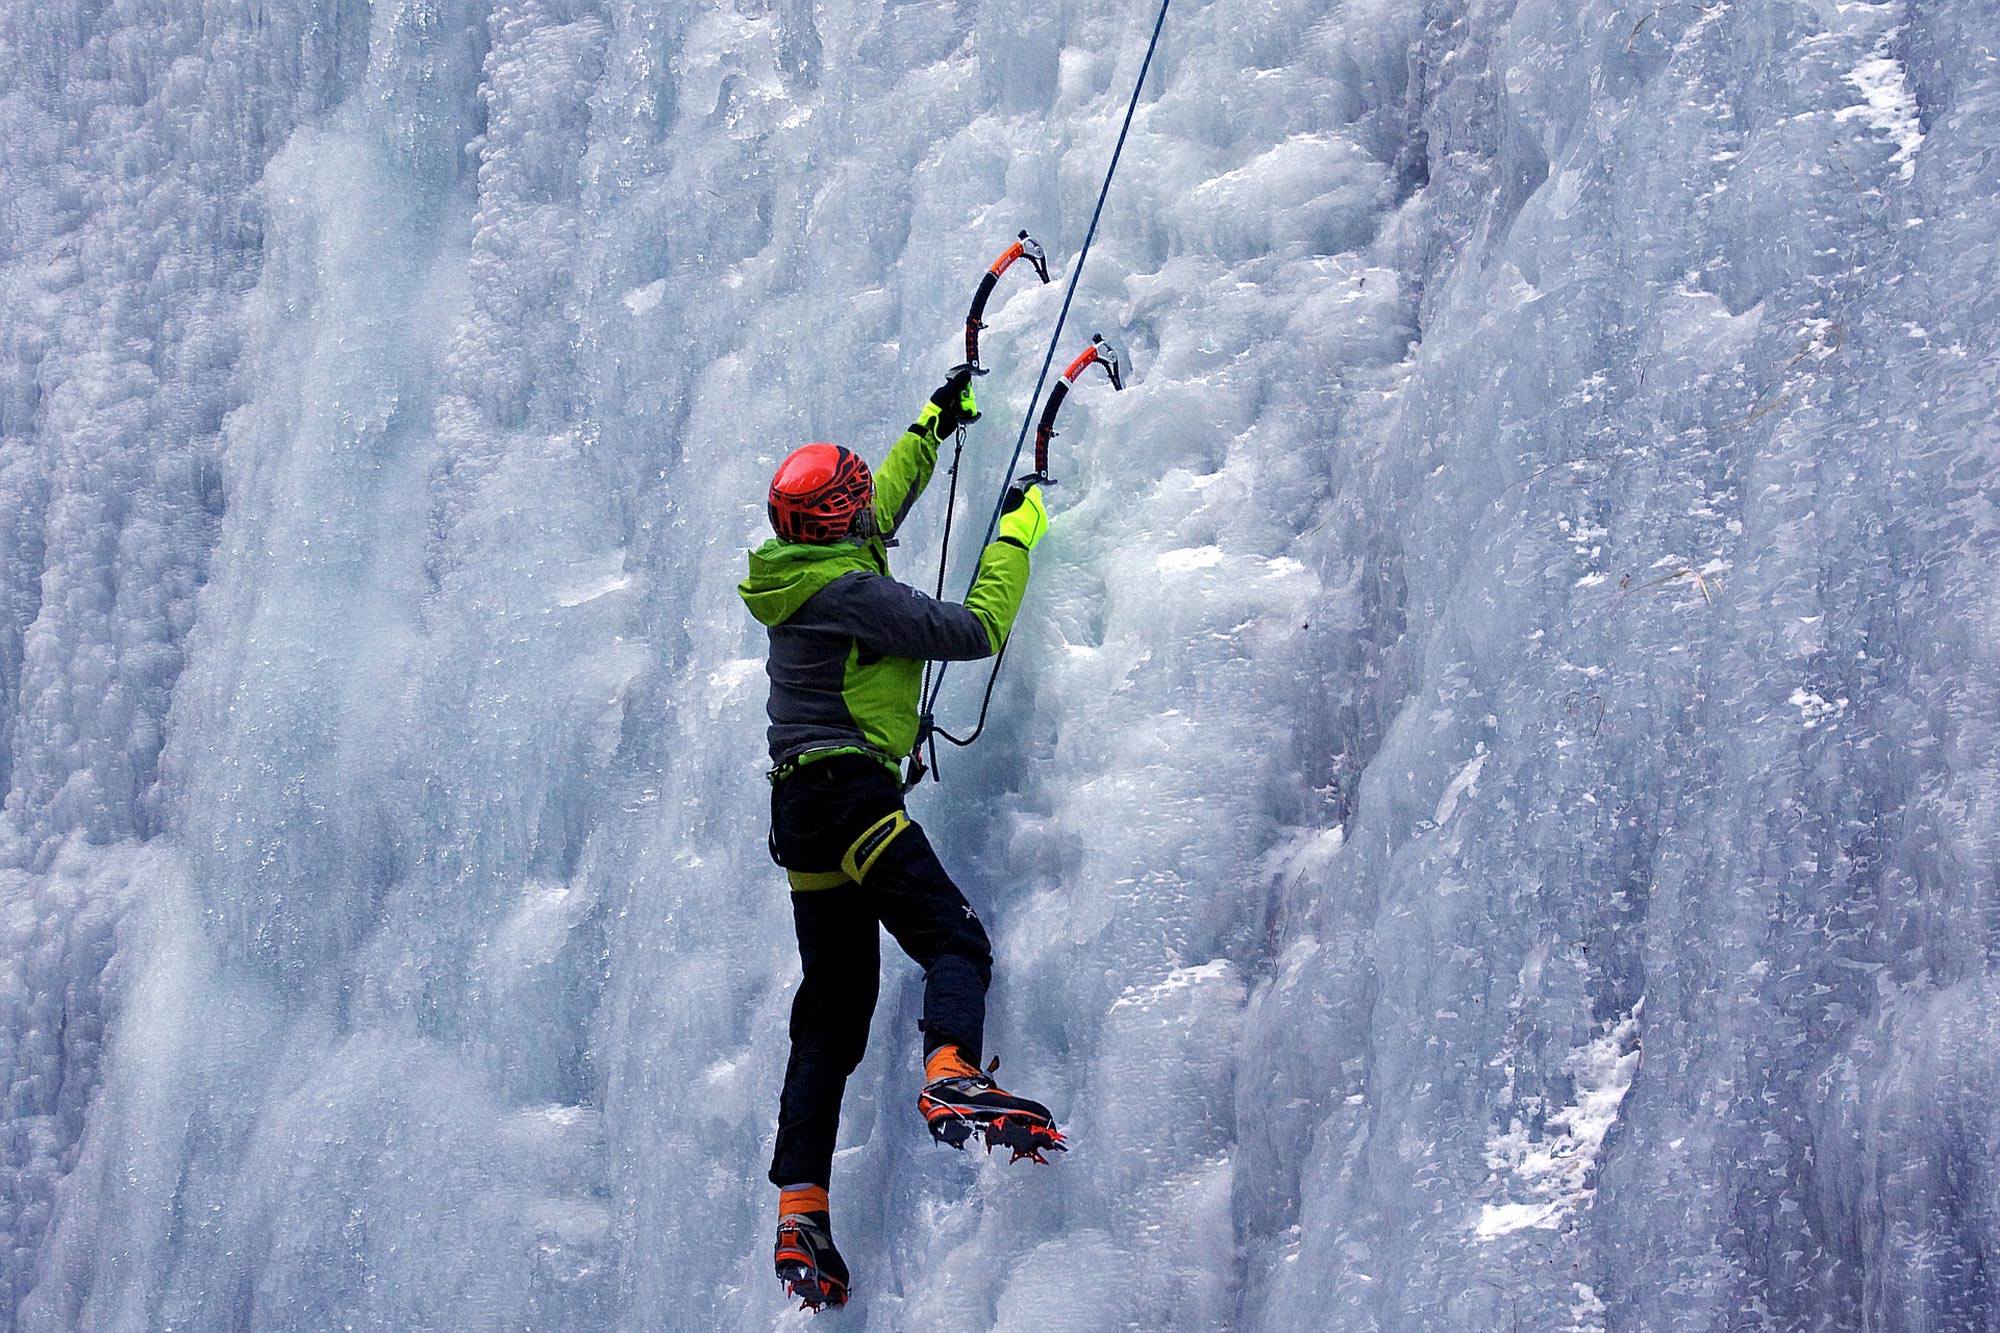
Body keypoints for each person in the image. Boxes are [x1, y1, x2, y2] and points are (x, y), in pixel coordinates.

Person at [738, 366, 1063, 1311]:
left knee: (833, 1009)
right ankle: (950, 1073)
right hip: (849, 794)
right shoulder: (850, 590)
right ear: (827, 524)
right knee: (953, 938)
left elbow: (877, 501)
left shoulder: (798, 569)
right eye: (846, 505)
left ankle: (801, 1208)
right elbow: (974, 627)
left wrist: (935, 419)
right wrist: (1017, 531)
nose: (859, 511)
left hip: (800, 816)